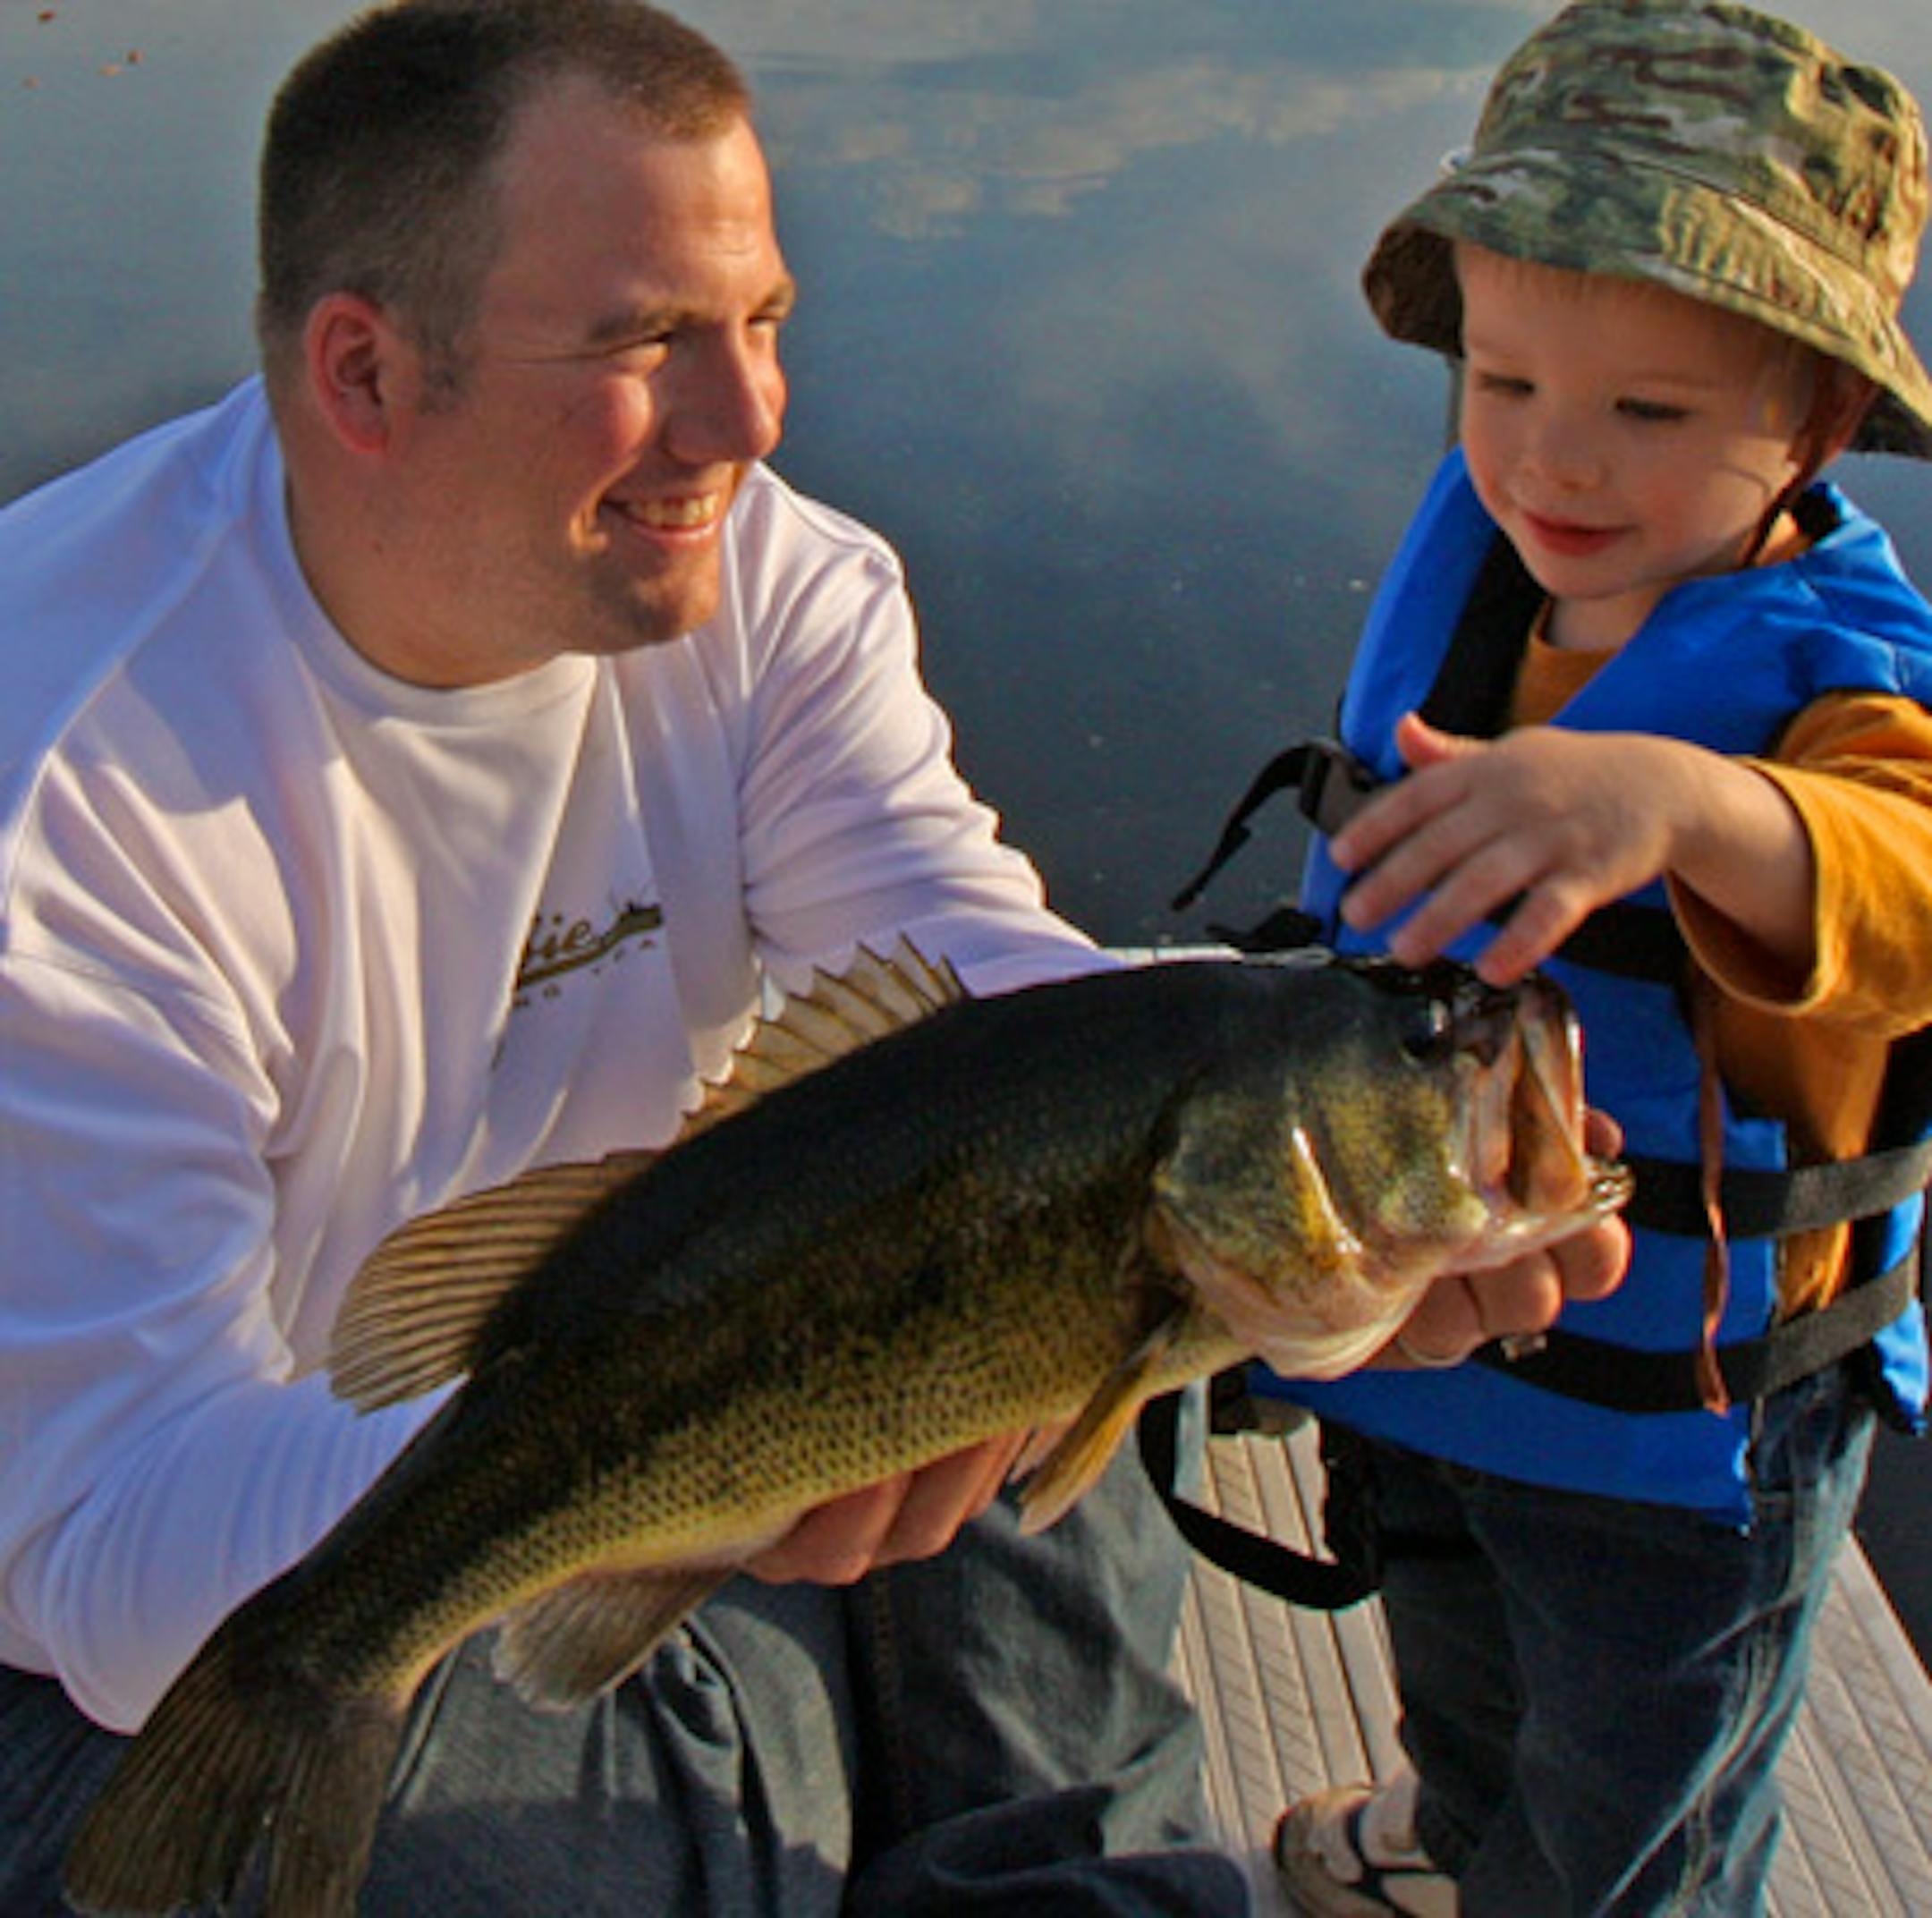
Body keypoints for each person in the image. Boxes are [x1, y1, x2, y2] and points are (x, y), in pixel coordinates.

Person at [0, 4, 1624, 1914]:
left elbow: (980, 971)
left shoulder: (766, 576)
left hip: (615, 1351)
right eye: (642, 343)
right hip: (175, 1620)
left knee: (1061, 1309)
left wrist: (1342, 1248)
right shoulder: (68, 785)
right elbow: (104, 1550)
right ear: (363, 372)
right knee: (669, 1848)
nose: (750, 420)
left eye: (761, 322)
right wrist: (692, 1473)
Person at [1256, 3, 1932, 1914]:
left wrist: (1697, 812)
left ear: (1812, 419)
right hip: (1435, 1338)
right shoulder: (1493, 557)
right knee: (1457, 1659)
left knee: (1642, 1807)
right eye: (1501, 379)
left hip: (1682, 1432)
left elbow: (1910, 872)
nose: (1554, 459)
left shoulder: (1843, 679)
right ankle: (1461, 1837)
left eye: (1648, 411)